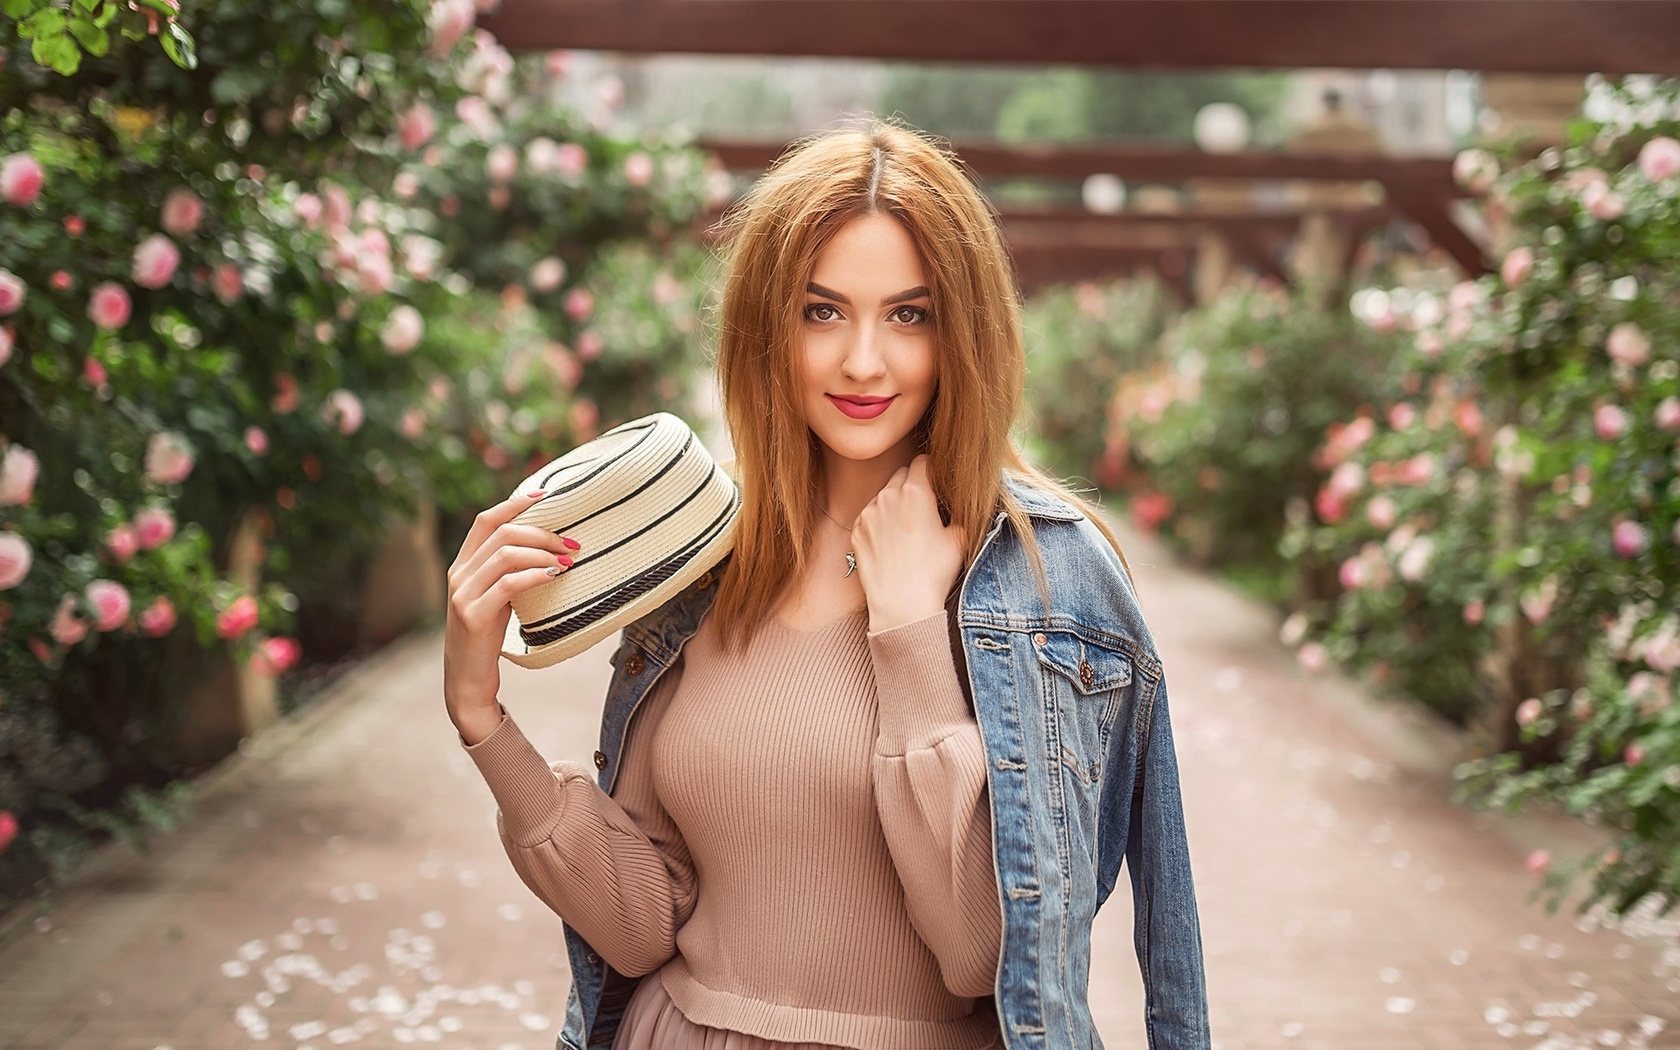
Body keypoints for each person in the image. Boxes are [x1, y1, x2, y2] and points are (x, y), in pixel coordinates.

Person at [443, 120, 1209, 1050]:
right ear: (768, 327)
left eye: (909, 314)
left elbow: (980, 952)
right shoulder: (708, 567)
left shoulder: (1050, 586)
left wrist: (910, 632)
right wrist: (484, 719)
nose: (862, 362)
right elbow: (645, 926)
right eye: (822, 311)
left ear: (964, 332)